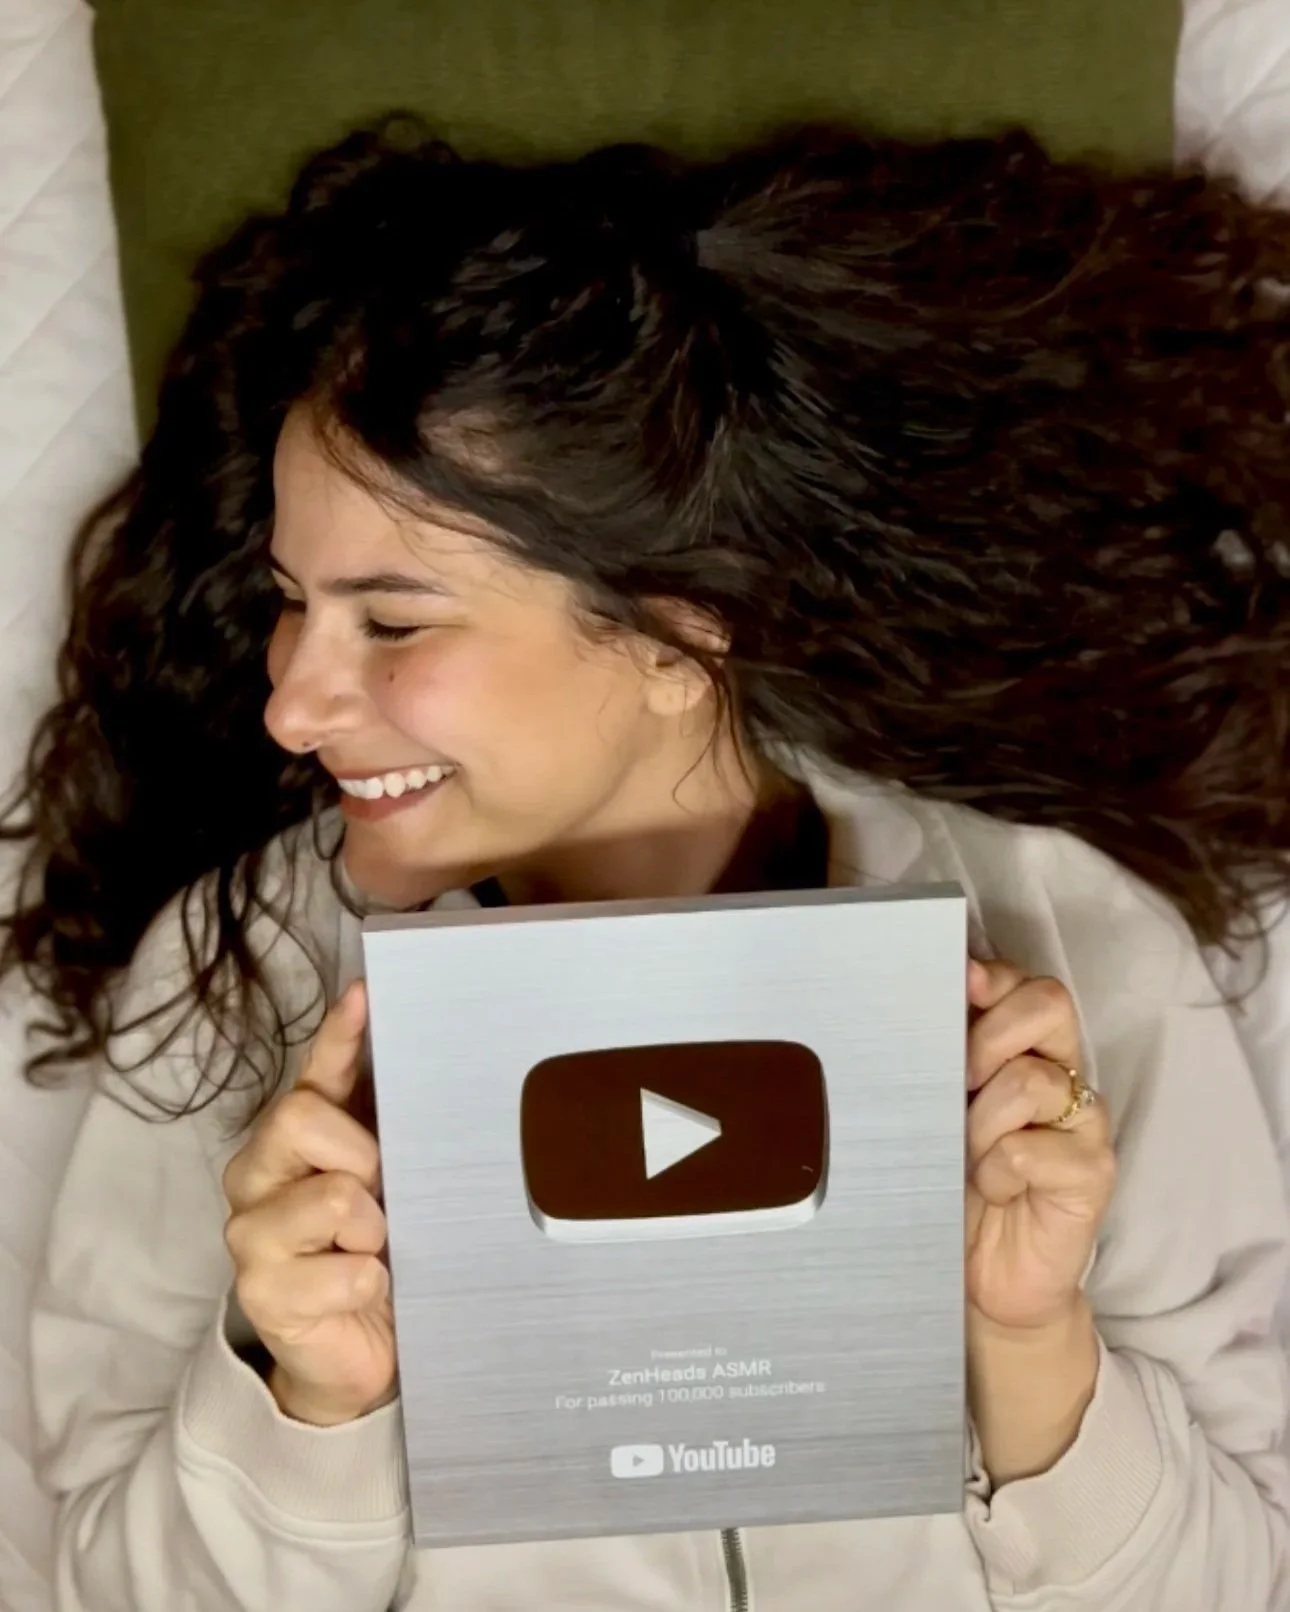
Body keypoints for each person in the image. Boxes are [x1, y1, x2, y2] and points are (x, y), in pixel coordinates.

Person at [5, 121, 1290, 1612]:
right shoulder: (243, 981)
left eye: (393, 622)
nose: (289, 702)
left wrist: (1029, 1345)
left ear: (679, 635)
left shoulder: (1066, 944)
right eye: (292, 601)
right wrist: (308, 1403)